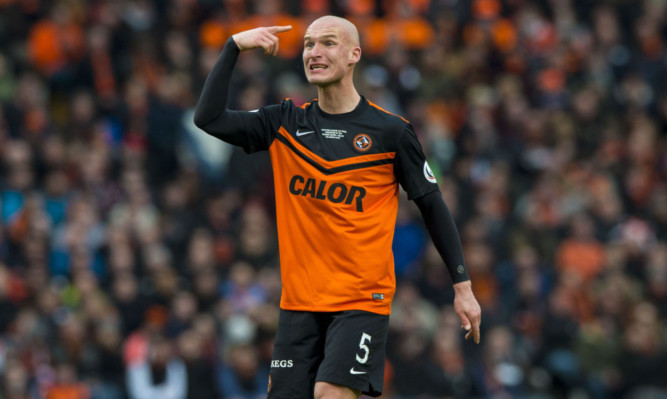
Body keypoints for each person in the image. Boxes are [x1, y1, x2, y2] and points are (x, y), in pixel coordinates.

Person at [194, 15, 482, 399]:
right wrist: (232, 47)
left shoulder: (391, 131)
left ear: (354, 55)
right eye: (309, 43)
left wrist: (462, 286)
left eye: (328, 42)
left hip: (361, 301)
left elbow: (433, 206)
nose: (314, 51)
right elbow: (208, 118)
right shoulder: (284, 123)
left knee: (330, 394)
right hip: (299, 303)